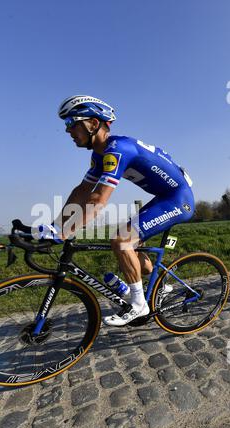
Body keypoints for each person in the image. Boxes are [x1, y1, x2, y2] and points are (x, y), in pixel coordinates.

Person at [34, 95, 195, 326]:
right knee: (134, 245)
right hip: (164, 196)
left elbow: (98, 199)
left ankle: (139, 305)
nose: (68, 130)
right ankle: (161, 286)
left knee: (121, 240)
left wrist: (65, 232)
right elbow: (82, 191)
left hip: (178, 199)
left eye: (72, 123)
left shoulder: (117, 149)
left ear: (94, 123)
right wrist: (57, 225)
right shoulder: (98, 155)